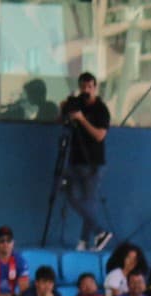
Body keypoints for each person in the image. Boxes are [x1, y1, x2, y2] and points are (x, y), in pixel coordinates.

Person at [57, 73, 116, 250]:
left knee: (89, 201)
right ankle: (97, 233)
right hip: (75, 160)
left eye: (89, 87)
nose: (86, 91)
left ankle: (87, 239)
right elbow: (61, 122)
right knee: (72, 196)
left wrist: (82, 120)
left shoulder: (101, 109)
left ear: (95, 88)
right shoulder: (76, 104)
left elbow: (100, 135)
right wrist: (64, 111)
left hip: (93, 162)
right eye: (83, 87)